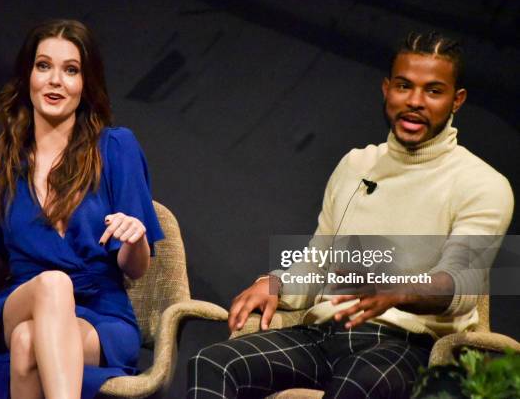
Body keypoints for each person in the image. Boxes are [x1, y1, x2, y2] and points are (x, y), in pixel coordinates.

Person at [187, 32, 514, 398]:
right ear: (386, 89)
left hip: (407, 345)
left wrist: (399, 290)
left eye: (433, 91)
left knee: (359, 382)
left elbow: (462, 283)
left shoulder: (482, 183)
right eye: (404, 86)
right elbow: (318, 259)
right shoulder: (356, 164)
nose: (415, 102)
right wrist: (274, 282)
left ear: (457, 101)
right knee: (213, 363)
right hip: (323, 334)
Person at [0, 19, 164, 399]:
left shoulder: (116, 149)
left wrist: (135, 237)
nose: (55, 81)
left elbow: (135, 268)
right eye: (44, 66)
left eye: (70, 70)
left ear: (85, 84)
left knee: (28, 344)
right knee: (50, 286)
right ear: (29, 74)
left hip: (103, 315)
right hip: (21, 302)